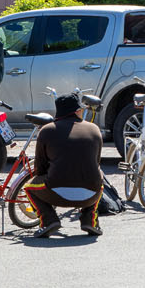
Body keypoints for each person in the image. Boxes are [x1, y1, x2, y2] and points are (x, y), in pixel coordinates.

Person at [27, 94, 105, 236]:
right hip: (90, 194)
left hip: (56, 193)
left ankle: (48, 220)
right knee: (99, 176)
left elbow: (40, 166)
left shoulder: (47, 130)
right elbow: (96, 161)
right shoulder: (94, 129)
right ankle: (90, 220)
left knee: (29, 187)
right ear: (77, 111)